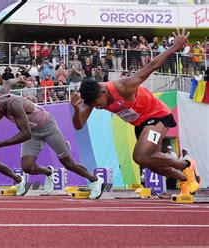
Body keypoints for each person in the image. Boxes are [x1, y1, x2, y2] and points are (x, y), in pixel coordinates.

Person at [71, 29, 199, 196]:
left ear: (103, 92)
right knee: (152, 164)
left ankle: (187, 165)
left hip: (157, 116)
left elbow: (152, 66)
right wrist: (75, 110)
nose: (98, 107)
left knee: (139, 156)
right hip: (140, 124)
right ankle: (186, 179)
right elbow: (79, 125)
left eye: (98, 104)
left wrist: (175, 47)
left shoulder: (123, 86)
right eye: (94, 106)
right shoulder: (91, 100)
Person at [0, 77, 103, 198]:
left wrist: (1, 144)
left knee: (68, 163)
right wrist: (20, 79)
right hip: (33, 132)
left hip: (47, 126)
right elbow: (8, 82)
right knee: (27, 167)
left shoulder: (14, 105)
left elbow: (26, 134)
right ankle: (48, 172)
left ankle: (94, 180)